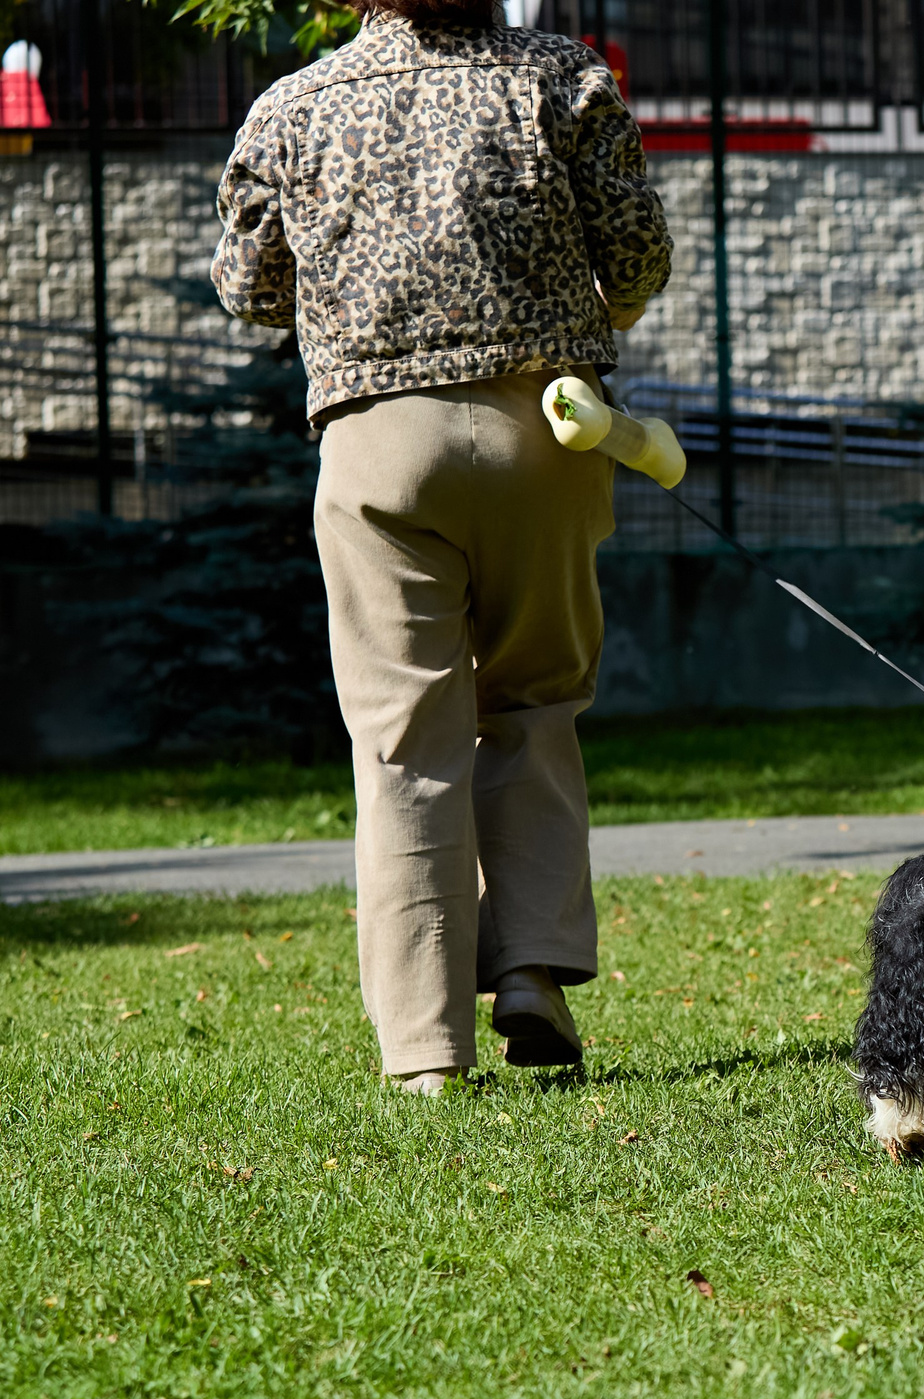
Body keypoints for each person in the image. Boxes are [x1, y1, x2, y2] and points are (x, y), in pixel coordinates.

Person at [213, 0, 670, 1095]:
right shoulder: (562, 78)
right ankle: (534, 972)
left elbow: (248, 289)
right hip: (542, 429)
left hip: (378, 446)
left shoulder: (292, 106)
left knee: (406, 743)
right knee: (536, 700)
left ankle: (424, 1054)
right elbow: (639, 253)